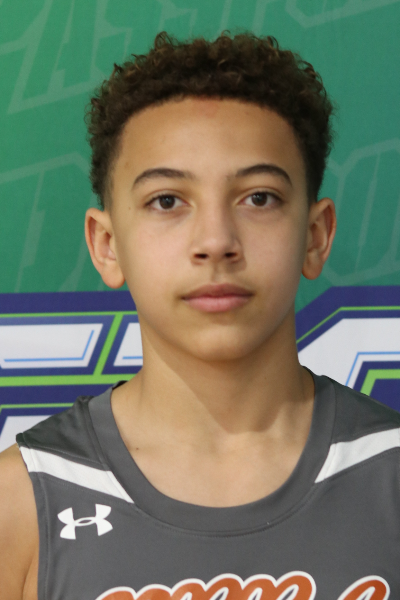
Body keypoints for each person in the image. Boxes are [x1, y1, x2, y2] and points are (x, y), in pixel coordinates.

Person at [0, 32, 398, 600]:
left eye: (258, 197)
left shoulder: (390, 473)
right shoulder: (20, 501)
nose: (215, 241)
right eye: (167, 201)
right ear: (107, 245)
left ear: (315, 236)